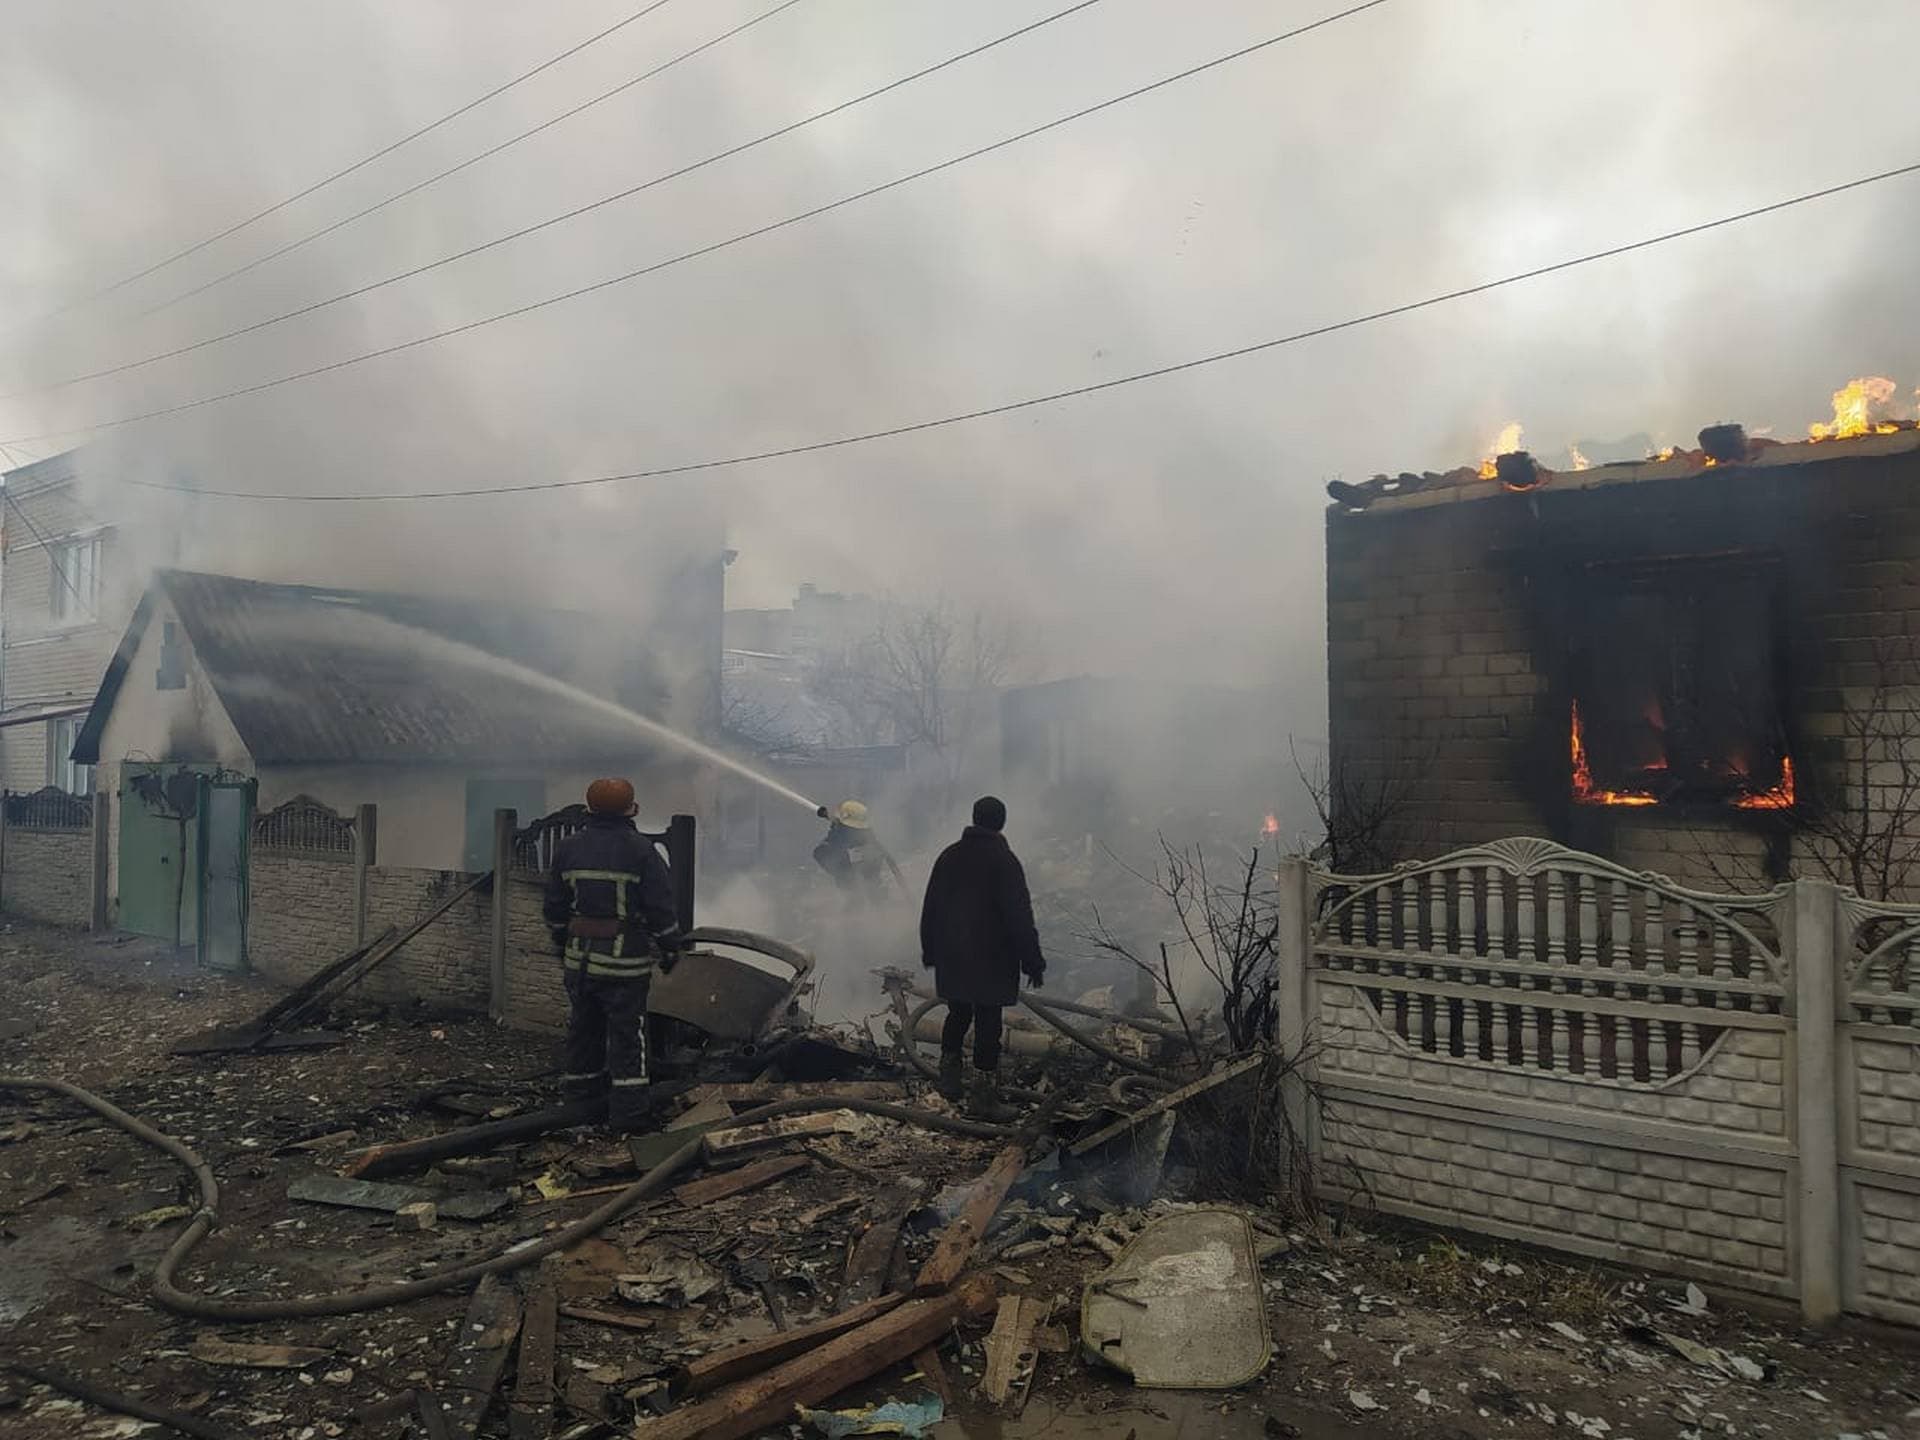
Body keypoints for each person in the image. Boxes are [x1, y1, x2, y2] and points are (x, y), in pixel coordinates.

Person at [544, 777, 684, 1130]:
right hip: (624, 966)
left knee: (582, 1031)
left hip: (579, 962)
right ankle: (629, 1115)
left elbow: (554, 909)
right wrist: (671, 948)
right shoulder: (641, 851)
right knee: (627, 1038)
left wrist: (563, 945)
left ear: (588, 809)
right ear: (632, 809)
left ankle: (579, 1106)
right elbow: (661, 909)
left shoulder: (567, 849)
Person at [918, 794, 1044, 1121]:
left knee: (957, 1013)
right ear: (1001, 822)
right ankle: (984, 1098)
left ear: (974, 819)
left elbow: (930, 907)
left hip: (953, 955)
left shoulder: (949, 856)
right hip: (992, 958)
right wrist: (1033, 961)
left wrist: (930, 950)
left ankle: (950, 1081)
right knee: (989, 1023)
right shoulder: (1005, 861)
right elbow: (1019, 917)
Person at [813, 799, 906, 900]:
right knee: (869, 881)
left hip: (860, 872)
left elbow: (826, 849)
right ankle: (866, 893)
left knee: (823, 852)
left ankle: (862, 894)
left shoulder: (844, 835)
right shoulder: (863, 832)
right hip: (861, 871)